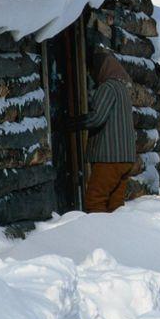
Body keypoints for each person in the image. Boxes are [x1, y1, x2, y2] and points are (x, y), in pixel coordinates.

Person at [66, 49, 136, 213]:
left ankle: (98, 237)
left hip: (110, 157)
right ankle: (116, 236)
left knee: (95, 200)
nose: (91, 74)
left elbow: (97, 117)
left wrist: (74, 123)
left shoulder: (107, 87)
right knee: (115, 205)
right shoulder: (122, 89)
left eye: (93, 69)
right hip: (126, 158)